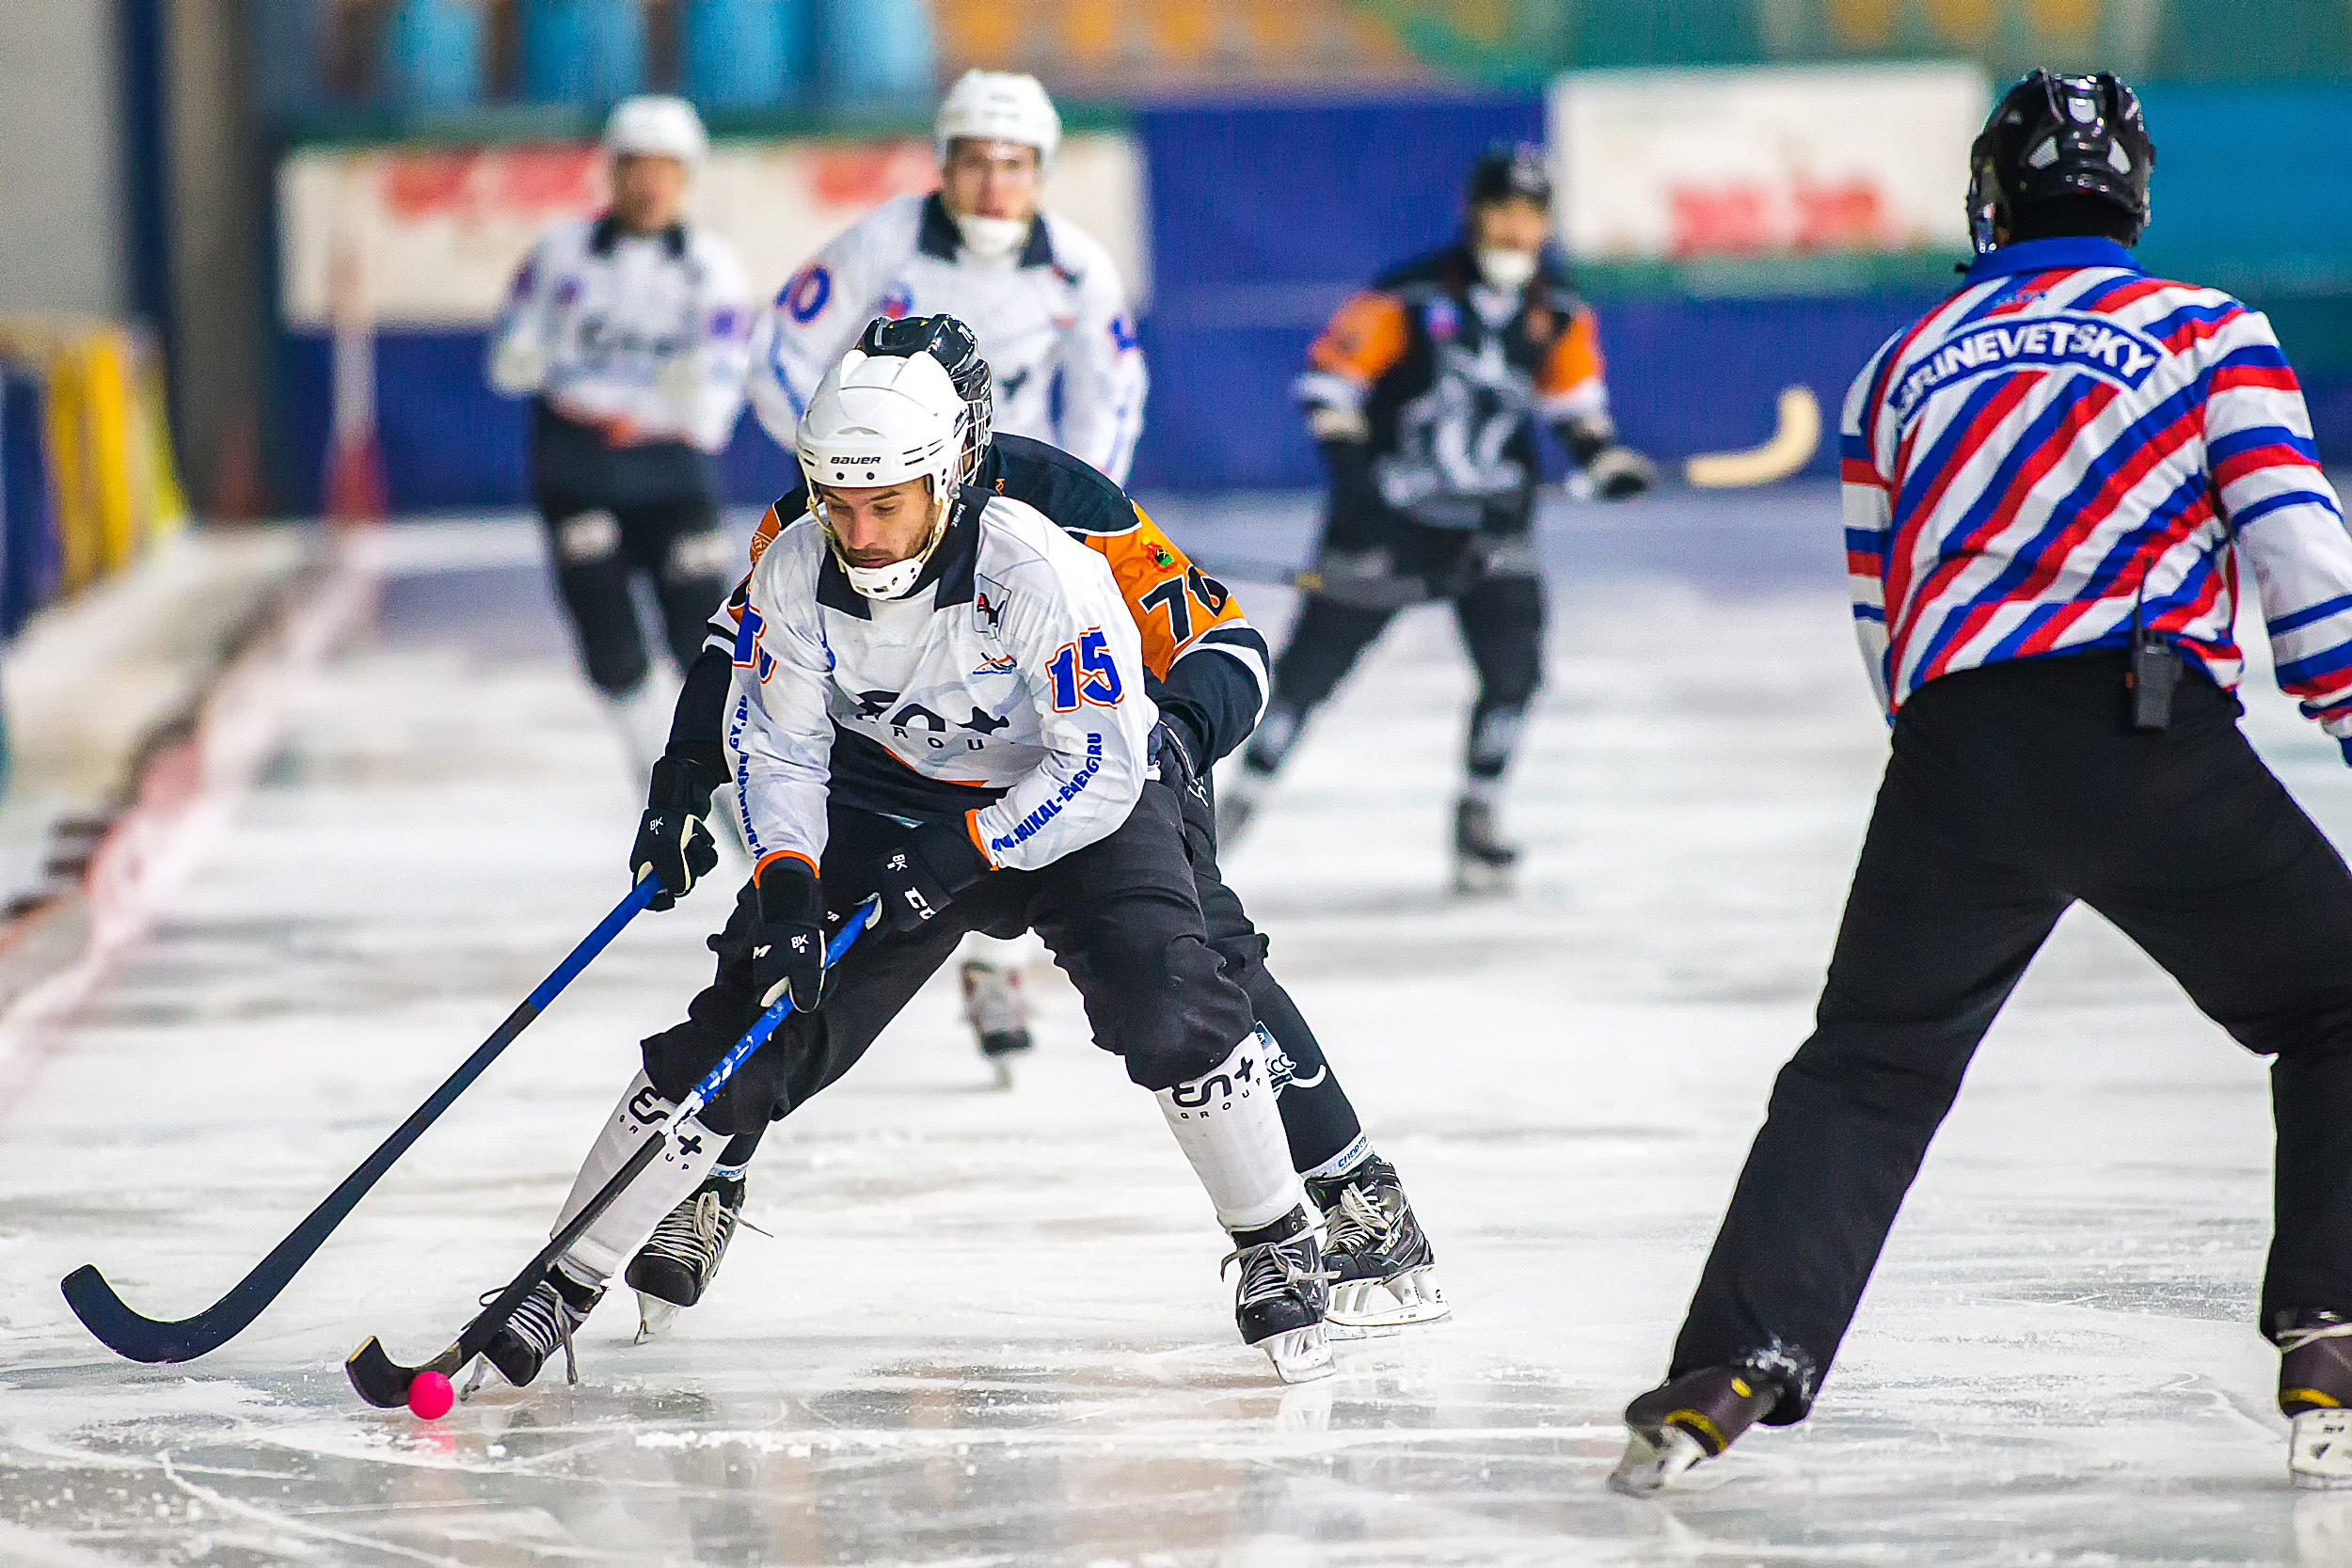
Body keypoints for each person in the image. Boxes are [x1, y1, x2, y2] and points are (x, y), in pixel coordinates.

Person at [1613, 71, 2352, 1496]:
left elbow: (1877, 607)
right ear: (2132, 195)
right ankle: (2331, 1325)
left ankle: (1725, 1367)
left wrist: (1954, 758)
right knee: (2335, 1002)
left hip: (1956, 748)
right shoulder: (2210, 331)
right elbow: (2299, 558)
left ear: (1992, 199)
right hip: (2147, 728)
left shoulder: (1902, 360)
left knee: (1869, 1066)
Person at [472, 346, 1339, 1392]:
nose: (858, 534)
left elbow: (1102, 767)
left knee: (1168, 999)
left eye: (885, 505)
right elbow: (780, 744)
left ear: (951, 475)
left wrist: (966, 850)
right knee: (754, 1018)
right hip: (898, 795)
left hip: (1077, 801)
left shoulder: (1039, 570)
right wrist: (788, 875)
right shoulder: (796, 567)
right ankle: (561, 1277)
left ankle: (1274, 1234)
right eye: (837, 503)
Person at [626, 315, 1447, 1344]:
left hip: (1076, 760)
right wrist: (684, 774)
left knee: (1192, 958)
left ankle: (1343, 1181)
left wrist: (1182, 737)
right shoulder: (821, 514)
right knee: (775, 958)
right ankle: (716, 1166)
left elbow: (1224, 641)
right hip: (894, 779)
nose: (860, 515)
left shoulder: (1069, 510)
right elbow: (736, 649)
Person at [746, 68, 1149, 1067]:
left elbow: (1114, 390)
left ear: (1041, 172)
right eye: (973, 161)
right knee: (894, 709)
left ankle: (995, 958)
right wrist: (839, 477)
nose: (991, 183)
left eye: (1013, 165)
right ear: (944, 164)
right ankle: (953, 936)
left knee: (1035, 716)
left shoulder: (1077, 271)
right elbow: (776, 357)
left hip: (1016, 525)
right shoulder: (884, 241)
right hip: (897, 519)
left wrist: (1087, 511)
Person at [1217, 144, 1654, 894]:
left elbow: (1577, 409)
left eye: (1532, 214)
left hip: (1491, 528)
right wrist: (1358, 481)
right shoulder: (1407, 297)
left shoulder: (1560, 311)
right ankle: (1231, 814)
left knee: (1515, 672)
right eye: (1504, 210)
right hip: (1386, 525)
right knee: (1304, 677)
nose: (1518, 230)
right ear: (1474, 213)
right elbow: (1328, 386)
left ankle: (1479, 815)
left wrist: (1602, 459)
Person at [487, 95, 753, 782]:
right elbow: (510, 356)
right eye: (635, 165)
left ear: (687, 176)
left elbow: (716, 403)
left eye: (666, 167)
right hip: (578, 466)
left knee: (704, 627)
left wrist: (647, 410)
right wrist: (535, 358)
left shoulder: (712, 269)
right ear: (610, 170)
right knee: (603, 620)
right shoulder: (559, 253)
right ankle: (649, 762)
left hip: (671, 469)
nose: (649, 183)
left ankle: (715, 768)